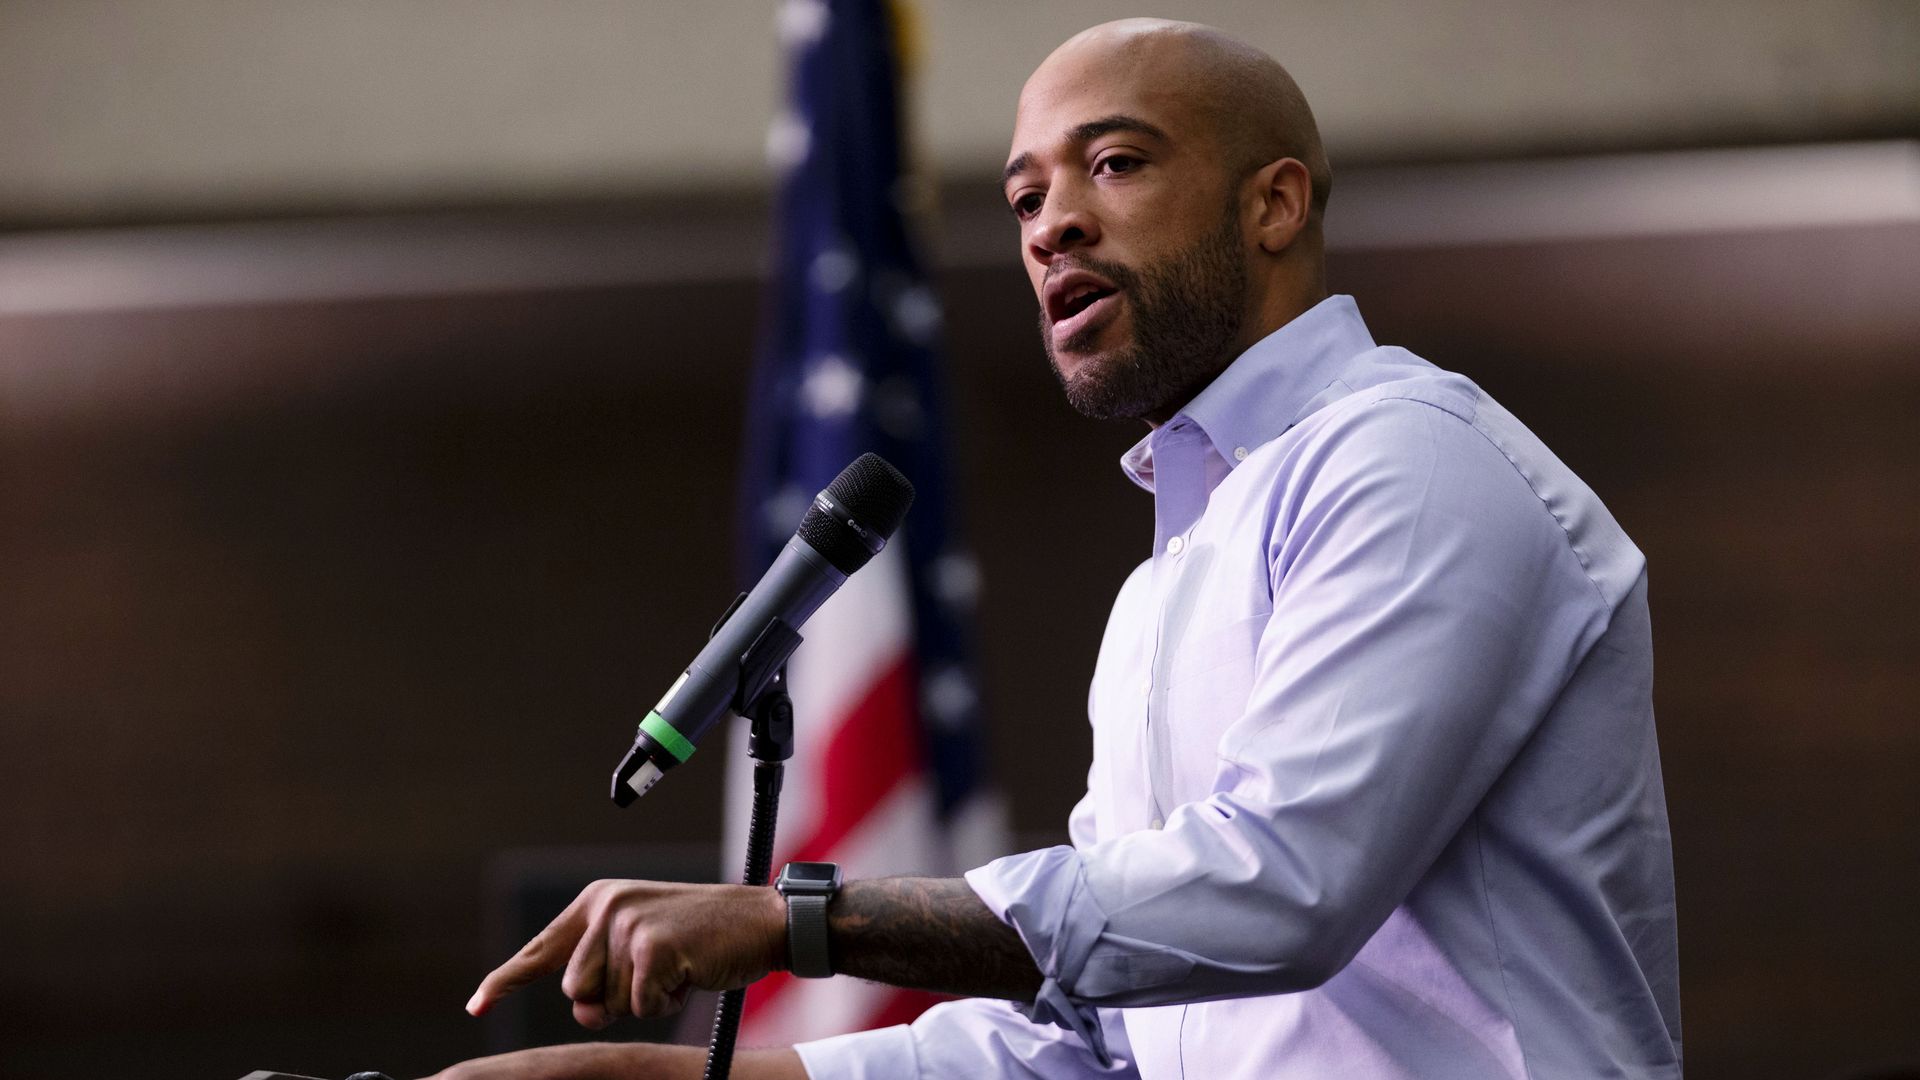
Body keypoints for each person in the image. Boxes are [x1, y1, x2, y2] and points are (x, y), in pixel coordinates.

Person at [426, 18, 1681, 1080]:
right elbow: (1098, 1038)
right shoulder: (1164, 585)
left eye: (1115, 165)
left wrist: (798, 921)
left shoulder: (1407, 462)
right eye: (1026, 197)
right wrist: (686, 1078)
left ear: (1275, 203)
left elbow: (1281, 886)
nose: (1050, 227)